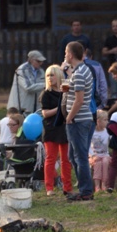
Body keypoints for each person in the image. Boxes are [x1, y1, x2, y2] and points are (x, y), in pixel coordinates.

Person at [64, 41, 95, 201]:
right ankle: (85, 186)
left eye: (65, 53)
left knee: (80, 157)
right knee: (73, 156)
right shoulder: (80, 70)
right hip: (80, 120)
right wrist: (68, 76)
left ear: (70, 54)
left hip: (78, 120)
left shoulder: (80, 73)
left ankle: (86, 191)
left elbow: (79, 100)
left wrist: (69, 117)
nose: (64, 56)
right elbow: (71, 90)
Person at [40, 64, 72, 196]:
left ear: (58, 76)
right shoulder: (45, 94)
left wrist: (67, 70)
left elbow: (70, 83)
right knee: (50, 158)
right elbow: (45, 113)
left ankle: (67, 187)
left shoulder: (64, 89)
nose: (49, 78)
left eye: (52, 75)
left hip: (64, 128)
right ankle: (49, 188)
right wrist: (60, 108)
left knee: (66, 159)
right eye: (47, 75)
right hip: (51, 128)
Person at [7, 50, 46, 115]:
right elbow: (28, 87)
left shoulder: (41, 71)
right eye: (38, 61)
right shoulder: (22, 69)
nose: (40, 63)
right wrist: (46, 84)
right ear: (31, 60)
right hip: (20, 108)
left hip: (34, 108)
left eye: (41, 61)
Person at [90, 110, 111, 193]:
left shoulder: (107, 132)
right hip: (94, 155)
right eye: (105, 120)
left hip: (105, 154)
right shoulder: (91, 132)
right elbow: (88, 145)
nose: (107, 122)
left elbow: (112, 141)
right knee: (97, 163)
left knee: (105, 162)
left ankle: (104, 184)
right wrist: (92, 155)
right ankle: (97, 186)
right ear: (98, 121)